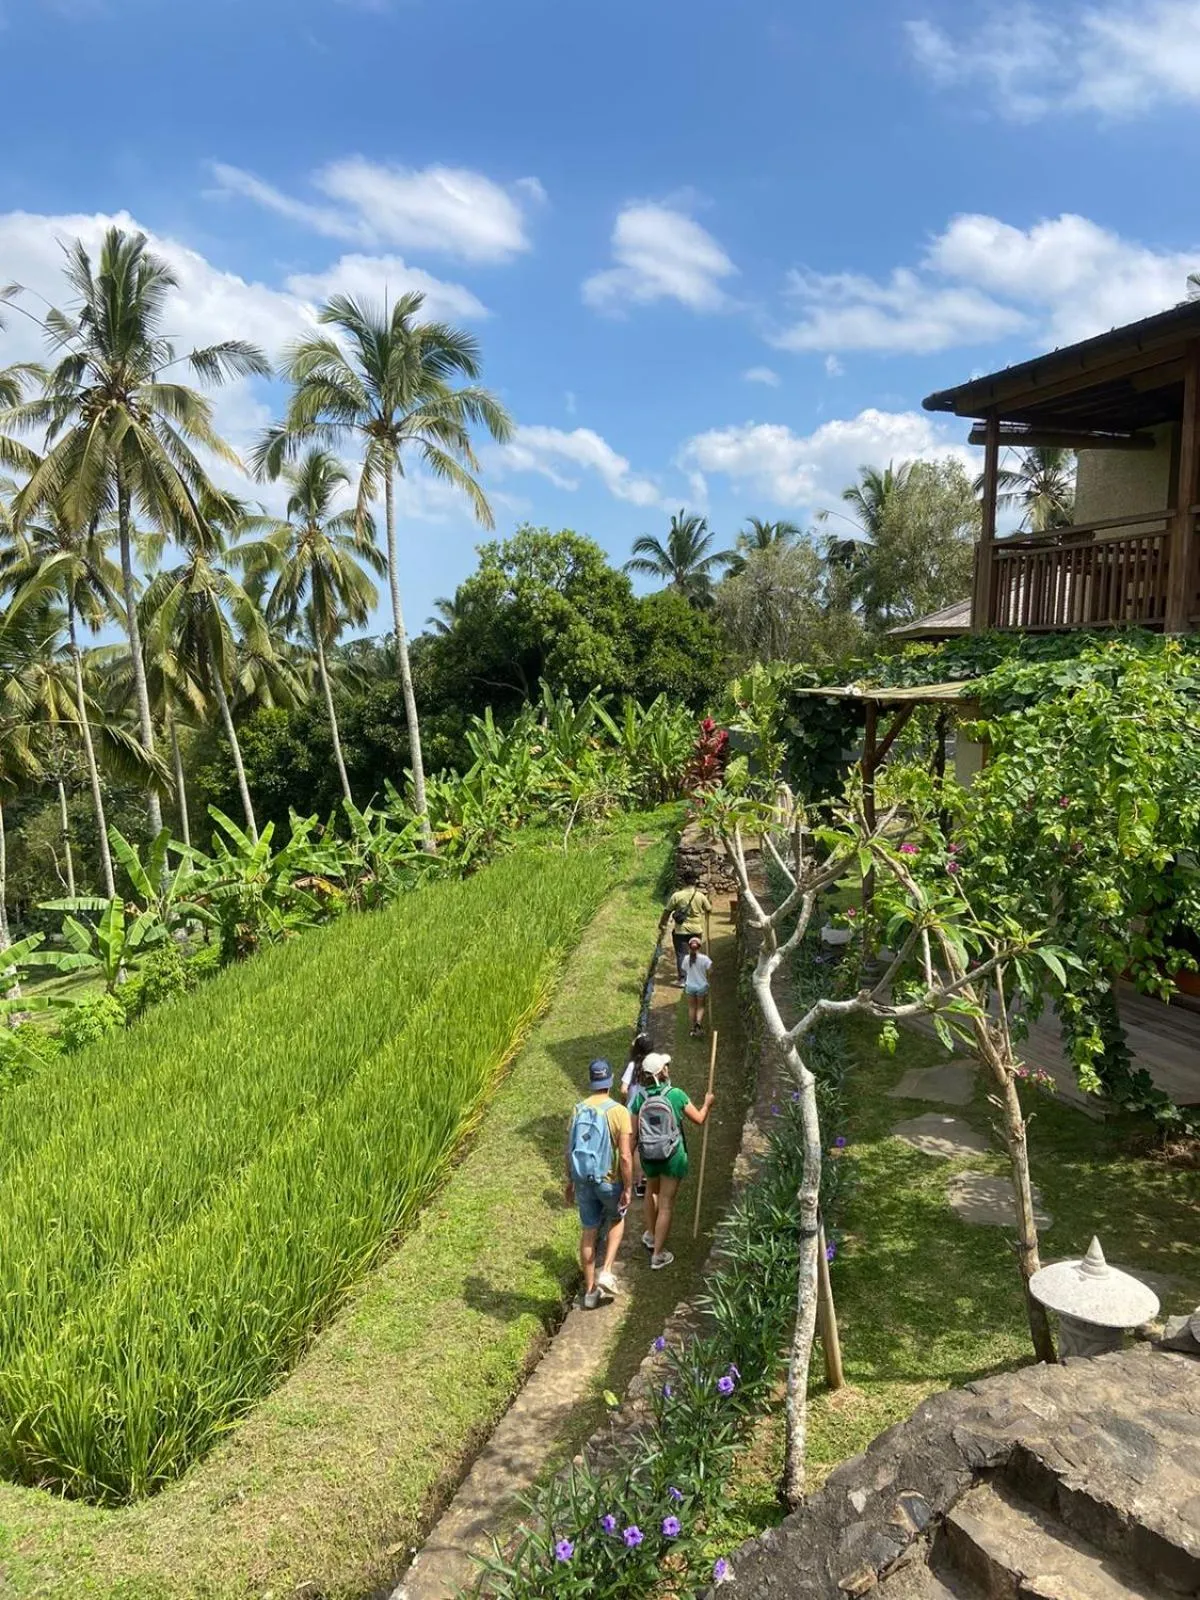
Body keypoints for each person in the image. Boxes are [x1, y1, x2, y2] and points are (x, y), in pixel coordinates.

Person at [629, 1052, 714, 1271]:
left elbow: (634, 1133)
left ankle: (650, 1235)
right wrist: (707, 1103)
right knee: (666, 1203)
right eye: (665, 1066)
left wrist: (629, 1158)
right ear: (661, 1072)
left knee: (651, 1192)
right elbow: (699, 1119)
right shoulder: (676, 1095)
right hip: (672, 1156)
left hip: (648, 1155)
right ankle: (658, 1255)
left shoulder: (640, 1098)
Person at [564, 1058, 633, 1308]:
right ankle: (606, 1271)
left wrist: (570, 1181)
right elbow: (625, 1156)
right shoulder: (619, 1112)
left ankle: (590, 1293)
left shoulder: (578, 1109)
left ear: (592, 1081)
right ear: (611, 1080)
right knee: (617, 1218)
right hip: (608, 1180)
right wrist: (627, 1187)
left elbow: (569, 1148)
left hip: (583, 1180)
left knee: (589, 1232)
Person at [659, 872, 713, 984]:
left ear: (684, 881)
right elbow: (709, 909)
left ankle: (683, 979)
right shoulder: (700, 896)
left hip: (680, 931)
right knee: (695, 952)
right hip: (696, 931)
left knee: (681, 954)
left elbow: (667, 911)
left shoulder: (677, 896)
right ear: (696, 882)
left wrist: (662, 924)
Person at [620, 1032, 652, 1198]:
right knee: (643, 1143)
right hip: (649, 1108)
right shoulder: (653, 1066)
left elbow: (623, 1089)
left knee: (630, 1144)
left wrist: (626, 1100)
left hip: (633, 1109)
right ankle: (643, 1180)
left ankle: (628, 1179)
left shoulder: (633, 1066)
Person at [682, 936, 713, 1037]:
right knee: (700, 1006)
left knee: (692, 1007)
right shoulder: (704, 959)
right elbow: (711, 971)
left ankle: (693, 1027)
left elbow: (684, 969)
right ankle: (698, 1023)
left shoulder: (686, 959)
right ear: (699, 947)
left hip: (690, 986)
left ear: (689, 947)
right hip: (701, 986)